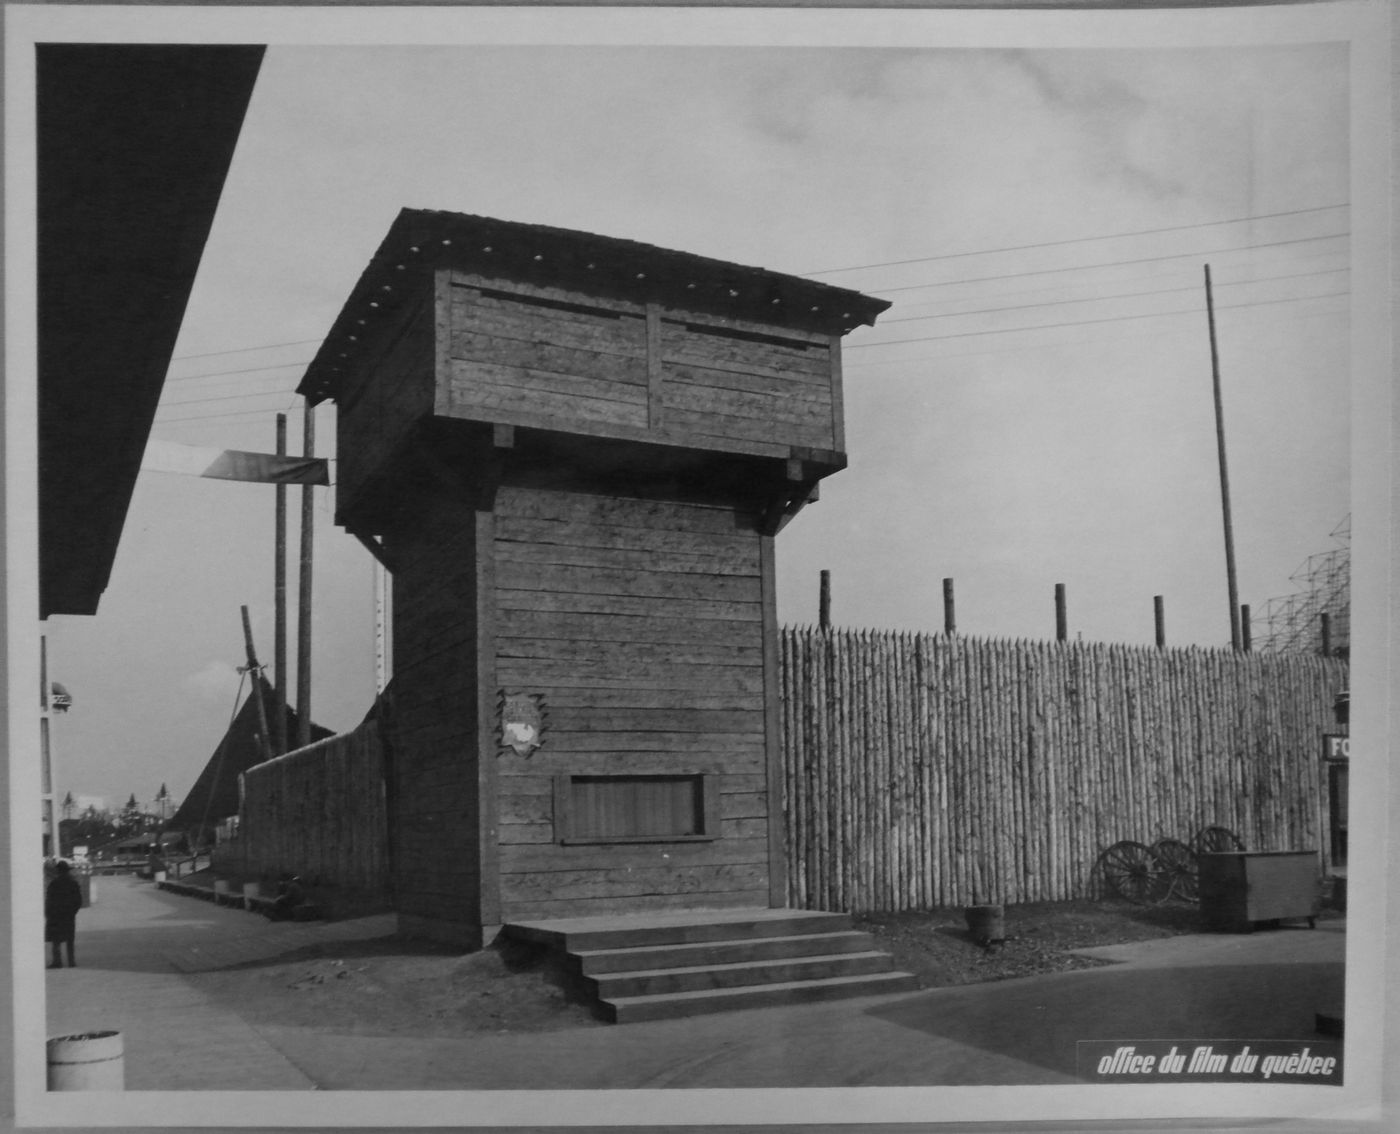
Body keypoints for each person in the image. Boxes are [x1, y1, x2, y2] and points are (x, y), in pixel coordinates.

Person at [45, 860, 83, 969]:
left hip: (56, 915)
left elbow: (49, 900)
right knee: (70, 938)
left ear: (58, 871)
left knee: (56, 939)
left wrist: (48, 914)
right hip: (69, 915)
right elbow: (78, 900)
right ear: (67, 871)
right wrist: (73, 912)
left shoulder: (54, 884)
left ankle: (57, 961)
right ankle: (71, 961)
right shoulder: (73, 883)